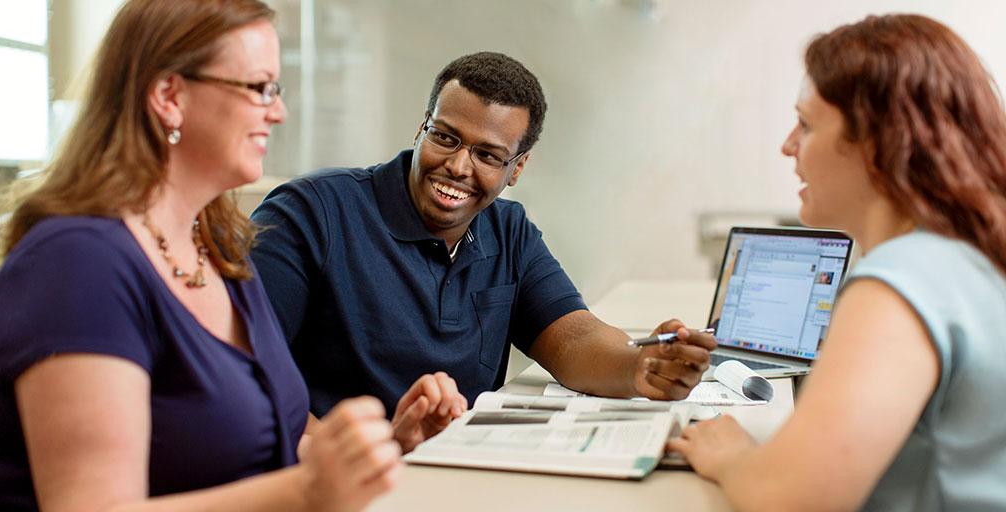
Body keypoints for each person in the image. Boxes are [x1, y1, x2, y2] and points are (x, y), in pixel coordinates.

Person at [0, 1, 462, 510]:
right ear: (170, 96)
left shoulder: (217, 246)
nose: (278, 111)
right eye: (259, 88)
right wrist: (308, 491)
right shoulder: (77, 264)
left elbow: (264, 448)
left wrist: (380, 453)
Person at [250, 51, 718, 420]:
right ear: (421, 128)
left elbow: (573, 338)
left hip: (456, 467)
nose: (458, 166)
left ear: (517, 168)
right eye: (446, 137)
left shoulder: (508, 231)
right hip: (342, 475)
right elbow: (248, 378)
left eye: (489, 155)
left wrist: (640, 366)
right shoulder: (311, 213)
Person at [668, 14, 1006, 510]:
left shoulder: (900, 285)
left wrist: (731, 454)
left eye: (805, 125)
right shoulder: (970, 257)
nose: (788, 146)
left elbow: (792, 499)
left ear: (877, 142)